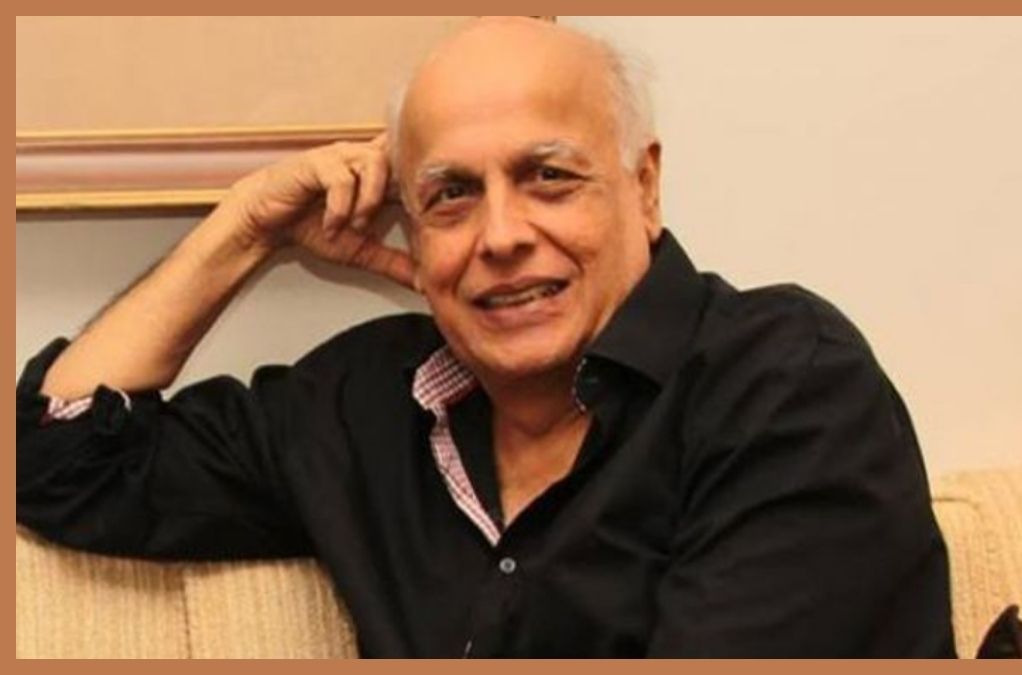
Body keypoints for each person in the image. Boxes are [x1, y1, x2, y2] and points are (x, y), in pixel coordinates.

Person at [16, 17, 956, 657]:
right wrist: (244, 231)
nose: (501, 235)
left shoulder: (786, 384)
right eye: (451, 194)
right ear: (413, 229)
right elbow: (58, 462)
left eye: (548, 176)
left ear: (644, 187)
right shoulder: (364, 404)